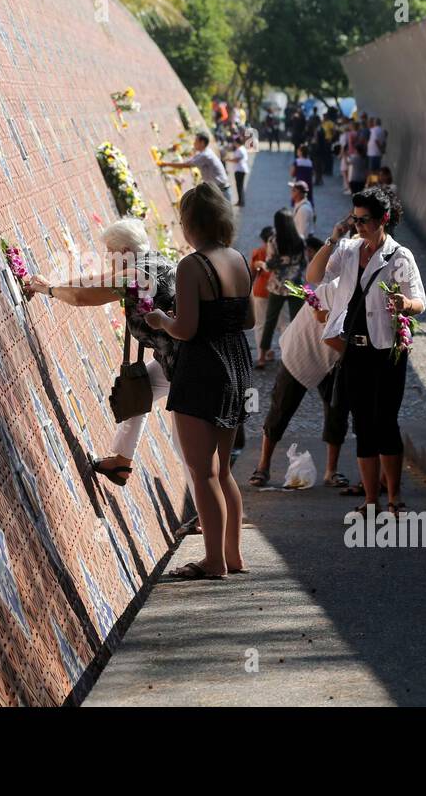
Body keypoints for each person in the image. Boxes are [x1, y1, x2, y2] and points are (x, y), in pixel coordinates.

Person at [144, 183, 254, 579]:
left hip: (203, 368)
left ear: (190, 223)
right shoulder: (239, 259)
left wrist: (159, 321)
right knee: (223, 471)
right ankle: (233, 555)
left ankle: (213, 562)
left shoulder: (192, 265)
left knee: (202, 471)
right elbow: (250, 320)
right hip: (237, 364)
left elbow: (186, 329)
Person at [25, 218, 178, 486]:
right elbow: (95, 281)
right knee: (137, 392)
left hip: (187, 369)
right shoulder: (155, 261)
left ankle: (207, 515)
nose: (107, 258)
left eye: (110, 253)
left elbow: (83, 297)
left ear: (125, 253)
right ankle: (120, 462)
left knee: (190, 450)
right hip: (173, 358)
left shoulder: (135, 276)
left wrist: (49, 290)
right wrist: (49, 286)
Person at [307, 187, 426, 515]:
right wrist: (334, 236)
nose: (359, 226)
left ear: (383, 219)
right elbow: (314, 278)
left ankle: (394, 498)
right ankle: (371, 500)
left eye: (365, 220)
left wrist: (405, 304)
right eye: (355, 219)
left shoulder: (399, 256)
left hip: (387, 351)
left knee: (385, 422)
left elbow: (419, 300)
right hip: (355, 351)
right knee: (363, 424)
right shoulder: (345, 250)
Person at [248, 271, 352, 489]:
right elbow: (331, 335)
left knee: (337, 411)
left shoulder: (368, 291)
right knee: (281, 408)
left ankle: (331, 471)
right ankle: (263, 466)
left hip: (336, 359)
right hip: (303, 349)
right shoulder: (334, 285)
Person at [256, 208, 306, 368]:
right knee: (297, 322)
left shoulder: (273, 241)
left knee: (269, 322)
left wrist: (263, 265)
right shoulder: (300, 239)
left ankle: (262, 357)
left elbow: (270, 265)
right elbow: (304, 263)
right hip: (296, 285)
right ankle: (297, 356)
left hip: (277, 286)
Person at [161, 132, 232, 203]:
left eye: (196, 141)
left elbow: (186, 165)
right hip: (217, 190)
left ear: (202, 142)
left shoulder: (205, 155)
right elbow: (190, 161)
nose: (194, 143)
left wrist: (166, 164)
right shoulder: (205, 152)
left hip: (222, 192)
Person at [249, 226, 281, 359]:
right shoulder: (282, 252)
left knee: (261, 324)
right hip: (279, 291)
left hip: (261, 290)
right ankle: (284, 353)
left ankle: (263, 354)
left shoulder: (259, 251)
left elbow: (252, 272)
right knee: (282, 323)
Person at [225, 134, 251, 207]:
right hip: (240, 169)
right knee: (239, 186)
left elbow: (236, 160)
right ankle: (240, 201)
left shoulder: (240, 149)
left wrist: (228, 159)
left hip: (240, 170)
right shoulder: (241, 148)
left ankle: (241, 201)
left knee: (239, 186)